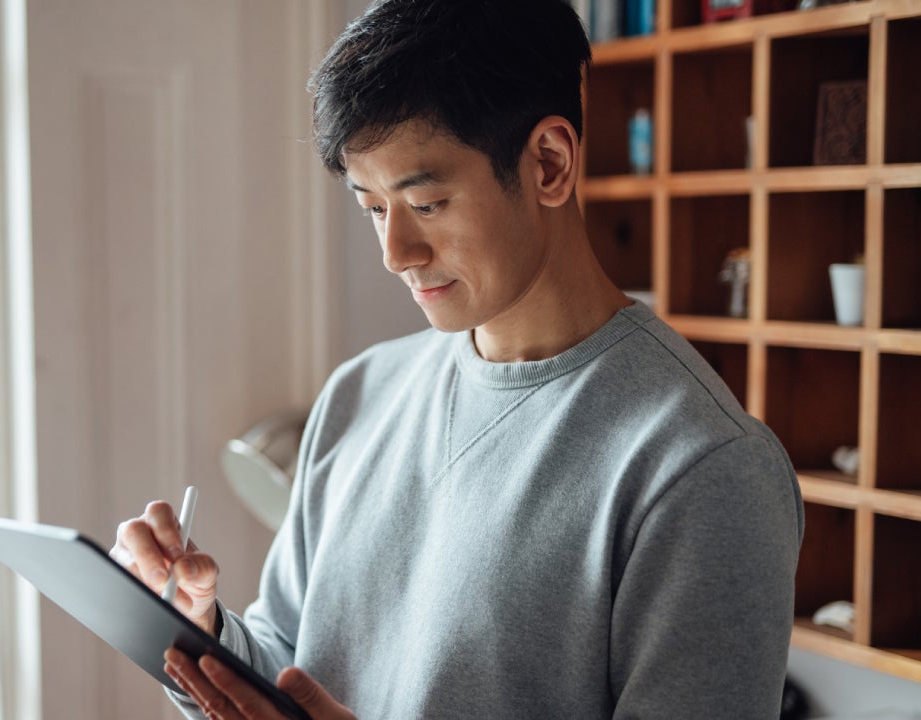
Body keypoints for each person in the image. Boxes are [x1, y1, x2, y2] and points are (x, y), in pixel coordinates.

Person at [111, 0, 804, 717]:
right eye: (373, 208)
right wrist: (202, 638)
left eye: (428, 204)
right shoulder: (360, 393)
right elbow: (291, 654)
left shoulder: (704, 466)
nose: (395, 254)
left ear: (549, 163)